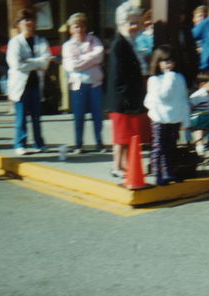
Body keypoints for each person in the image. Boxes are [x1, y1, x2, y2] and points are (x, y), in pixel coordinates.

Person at [106, 1, 149, 178]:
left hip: (130, 97)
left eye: (137, 23)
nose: (136, 27)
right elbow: (118, 76)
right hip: (123, 99)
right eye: (131, 23)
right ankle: (117, 167)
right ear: (121, 24)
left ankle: (123, 165)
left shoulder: (130, 42)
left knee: (127, 136)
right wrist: (126, 99)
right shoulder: (120, 45)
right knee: (121, 137)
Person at [6, 8, 52, 156]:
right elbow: (16, 64)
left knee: (37, 117)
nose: (28, 23)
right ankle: (20, 144)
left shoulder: (41, 41)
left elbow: (46, 62)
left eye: (30, 19)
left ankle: (39, 143)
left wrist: (29, 62)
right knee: (21, 118)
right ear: (18, 24)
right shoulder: (14, 43)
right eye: (24, 20)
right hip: (20, 86)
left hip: (35, 85)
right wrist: (37, 63)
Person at [144, 45, 190, 185]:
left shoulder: (179, 77)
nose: (169, 64)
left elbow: (183, 99)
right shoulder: (154, 80)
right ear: (158, 63)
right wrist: (169, 78)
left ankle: (168, 173)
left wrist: (185, 121)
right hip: (160, 118)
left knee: (171, 147)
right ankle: (158, 174)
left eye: (171, 61)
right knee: (159, 148)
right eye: (165, 61)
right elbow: (163, 96)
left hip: (174, 117)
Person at [61, 12, 105, 154]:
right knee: (79, 117)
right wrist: (90, 60)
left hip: (95, 84)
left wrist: (81, 60)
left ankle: (99, 143)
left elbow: (99, 55)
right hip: (78, 85)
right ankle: (78, 144)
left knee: (97, 116)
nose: (79, 29)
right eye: (76, 27)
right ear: (70, 29)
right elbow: (72, 66)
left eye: (81, 26)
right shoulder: (67, 45)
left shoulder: (94, 40)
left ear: (85, 27)